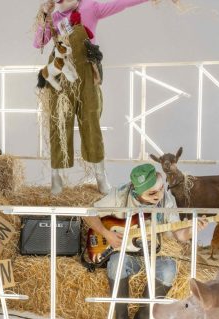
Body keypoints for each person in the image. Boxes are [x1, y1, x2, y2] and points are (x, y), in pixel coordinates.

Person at [33, 0, 155, 195]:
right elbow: (38, 43)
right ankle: (56, 176)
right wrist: (43, 15)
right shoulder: (54, 17)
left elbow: (122, 3)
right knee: (59, 124)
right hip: (61, 78)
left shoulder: (90, 7)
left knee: (91, 123)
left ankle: (100, 175)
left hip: (87, 76)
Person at [84, 164, 207, 319]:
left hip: (154, 254)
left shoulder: (167, 200)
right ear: (136, 191)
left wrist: (193, 229)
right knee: (116, 264)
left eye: (161, 188)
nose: (159, 195)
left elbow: (179, 235)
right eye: (152, 193)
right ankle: (120, 318)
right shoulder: (120, 195)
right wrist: (106, 234)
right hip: (125, 253)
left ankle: (145, 316)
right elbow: (88, 213)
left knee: (168, 269)